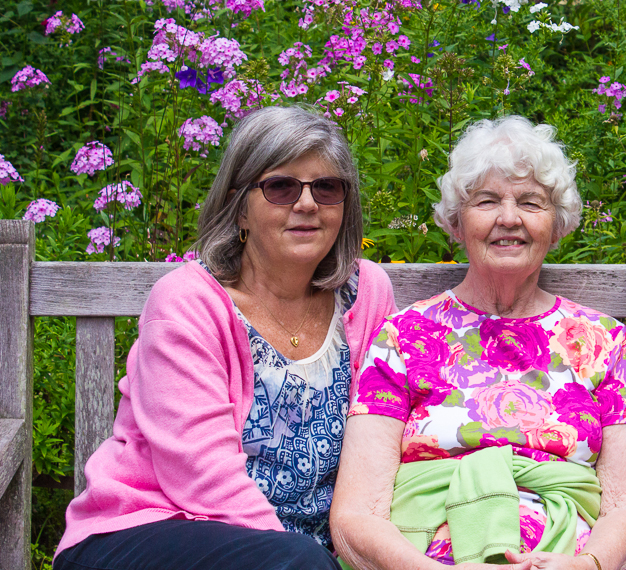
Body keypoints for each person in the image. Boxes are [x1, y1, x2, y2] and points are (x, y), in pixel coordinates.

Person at [54, 106, 397, 570]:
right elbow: (203, 477)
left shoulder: (366, 293)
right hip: (148, 530)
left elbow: (384, 434)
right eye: (281, 187)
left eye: (327, 187)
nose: (307, 204)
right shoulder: (186, 303)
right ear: (240, 206)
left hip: (293, 557)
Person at [331, 115, 626, 570]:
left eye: (530, 203)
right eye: (486, 201)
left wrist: (589, 566)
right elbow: (355, 513)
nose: (509, 218)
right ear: (456, 223)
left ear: (557, 224)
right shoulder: (402, 335)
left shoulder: (602, 339)